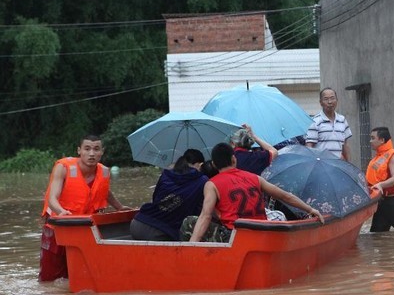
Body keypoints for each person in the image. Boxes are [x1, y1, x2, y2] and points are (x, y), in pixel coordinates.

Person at [182, 143, 324, 243]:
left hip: (235, 236)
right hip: (261, 231)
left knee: (189, 222)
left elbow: (205, 216)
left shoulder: (211, 184)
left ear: (213, 164)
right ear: (233, 159)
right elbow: (285, 196)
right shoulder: (255, 178)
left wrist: (192, 244)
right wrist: (311, 209)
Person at [40, 134, 131, 281]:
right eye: (87, 149)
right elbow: (52, 198)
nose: (92, 153)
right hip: (59, 226)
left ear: (102, 152)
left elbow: (103, 191)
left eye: (96, 149)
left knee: (83, 274)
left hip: (85, 228)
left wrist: (119, 207)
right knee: (49, 277)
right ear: (79, 151)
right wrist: (61, 211)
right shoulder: (63, 168)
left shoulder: (104, 171)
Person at [130, 149, 208, 241]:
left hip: (137, 222)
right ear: (200, 164)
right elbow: (201, 211)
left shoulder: (166, 174)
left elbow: (156, 198)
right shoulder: (202, 180)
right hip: (160, 232)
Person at [305, 87, 352, 161]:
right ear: (321, 102)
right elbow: (309, 146)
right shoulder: (315, 121)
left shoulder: (342, 120)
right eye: (326, 99)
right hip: (322, 166)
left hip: (339, 166)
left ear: (337, 100)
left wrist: (349, 165)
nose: (330, 102)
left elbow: (345, 145)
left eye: (332, 98)